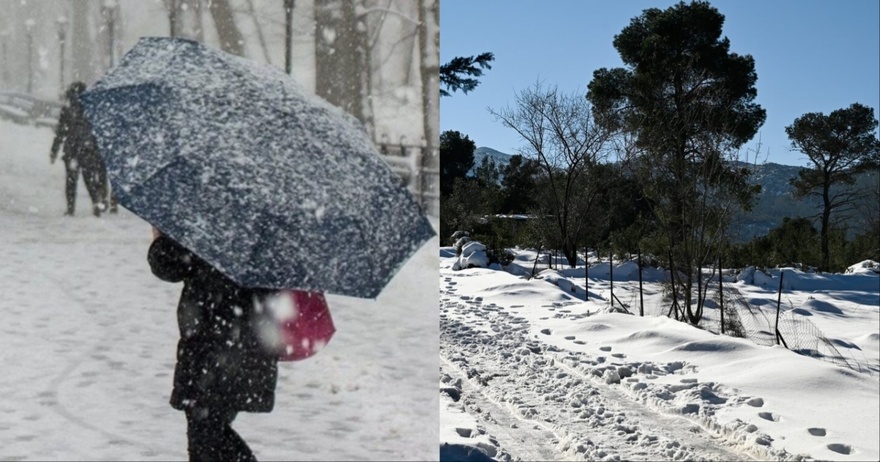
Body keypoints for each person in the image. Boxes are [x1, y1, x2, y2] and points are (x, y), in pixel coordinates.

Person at [148, 227, 279, 462]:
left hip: (210, 347)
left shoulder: (210, 214)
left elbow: (170, 263)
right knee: (210, 436)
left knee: (206, 439)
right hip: (249, 342)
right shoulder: (268, 223)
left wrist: (160, 237)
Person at [50, 81, 115, 216]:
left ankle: (70, 208)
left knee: (71, 181)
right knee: (89, 179)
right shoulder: (91, 107)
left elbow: (61, 132)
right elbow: (98, 130)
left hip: (71, 150)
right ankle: (96, 202)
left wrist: (54, 150)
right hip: (87, 149)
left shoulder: (68, 109)